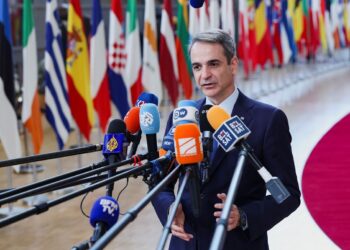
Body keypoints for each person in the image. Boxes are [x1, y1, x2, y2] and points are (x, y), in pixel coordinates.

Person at [152, 29, 301, 250]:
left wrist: (243, 216)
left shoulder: (268, 120)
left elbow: (288, 194)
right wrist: (169, 210)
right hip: (185, 244)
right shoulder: (181, 117)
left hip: (238, 243)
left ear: (233, 64)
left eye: (213, 64)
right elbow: (160, 181)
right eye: (197, 67)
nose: (205, 75)